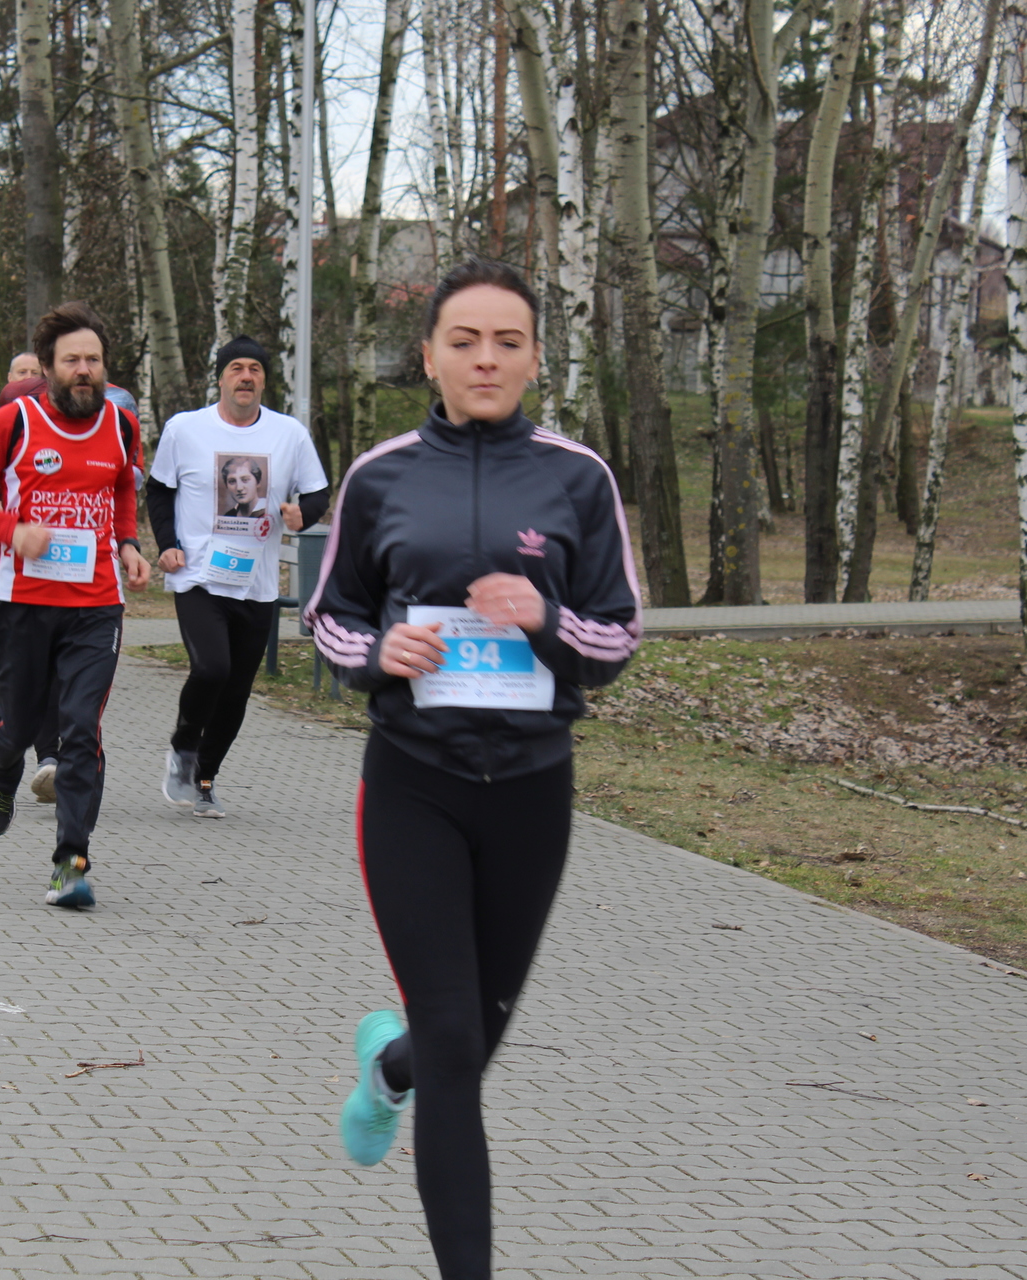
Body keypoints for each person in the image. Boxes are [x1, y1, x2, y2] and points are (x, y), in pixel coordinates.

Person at [306, 258, 641, 1280]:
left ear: (536, 356)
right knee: (457, 1042)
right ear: (430, 356)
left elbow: (620, 635)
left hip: (534, 787)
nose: (485, 358)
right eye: (464, 340)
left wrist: (548, 621)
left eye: (506, 341)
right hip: (414, 779)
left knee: (463, 1047)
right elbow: (330, 613)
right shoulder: (382, 474)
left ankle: (386, 1066)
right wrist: (377, 654)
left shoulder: (579, 476)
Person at [0, 301, 150, 909]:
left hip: (96, 605)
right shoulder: (12, 423)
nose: (84, 370)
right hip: (24, 604)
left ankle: (72, 863)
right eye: (72, 361)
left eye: (93, 359)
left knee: (80, 730)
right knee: (16, 725)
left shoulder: (121, 425)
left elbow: (120, 489)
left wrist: (129, 543)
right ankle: (1, 771)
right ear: (48, 367)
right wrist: (12, 532)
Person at [147, 335, 330, 818]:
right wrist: (167, 544)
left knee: (237, 691)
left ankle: (204, 777)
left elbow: (317, 494)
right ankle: (184, 747)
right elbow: (159, 492)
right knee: (212, 668)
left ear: (264, 380)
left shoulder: (288, 433)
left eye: (254, 369)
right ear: (221, 378)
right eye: (236, 369)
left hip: (259, 582)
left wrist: (300, 516)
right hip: (199, 575)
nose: (246, 377)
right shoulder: (186, 429)